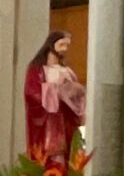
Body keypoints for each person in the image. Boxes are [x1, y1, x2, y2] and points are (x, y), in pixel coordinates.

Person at [24, 29, 85, 161]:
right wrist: (56, 91)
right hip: (47, 123)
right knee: (49, 159)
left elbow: (77, 97)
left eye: (67, 45)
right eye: (62, 44)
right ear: (51, 44)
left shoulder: (67, 71)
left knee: (66, 157)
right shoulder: (37, 70)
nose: (65, 49)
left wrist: (75, 91)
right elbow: (32, 93)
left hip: (65, 121)